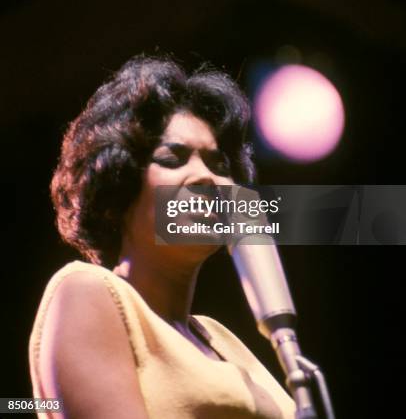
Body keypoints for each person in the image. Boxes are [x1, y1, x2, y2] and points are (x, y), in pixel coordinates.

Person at [29, 54, 295, 418]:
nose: (207, 179)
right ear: (119, 186)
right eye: (172, 159)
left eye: (219, 165)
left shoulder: (222, 339)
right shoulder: (87, 292)